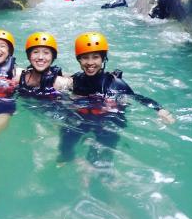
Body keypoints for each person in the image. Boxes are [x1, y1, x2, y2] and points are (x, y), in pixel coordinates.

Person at [58, 32, 175, 166]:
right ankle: (69, 160)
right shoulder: (76, 80)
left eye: (95, 57)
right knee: (64, 149)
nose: (90, 62)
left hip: (107, 123)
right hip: (82, 120)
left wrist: (159, 109)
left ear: (103, 59)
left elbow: (137, 98)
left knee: (100, 162)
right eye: (85, 57)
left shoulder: (115, 84)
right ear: (79, 59)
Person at [17, 32, 72, 100]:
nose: (40, 57)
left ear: (53, 57)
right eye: (35, 52)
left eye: (46, 53)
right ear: (29, 56)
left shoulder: (61, 83)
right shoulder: (18, 77)